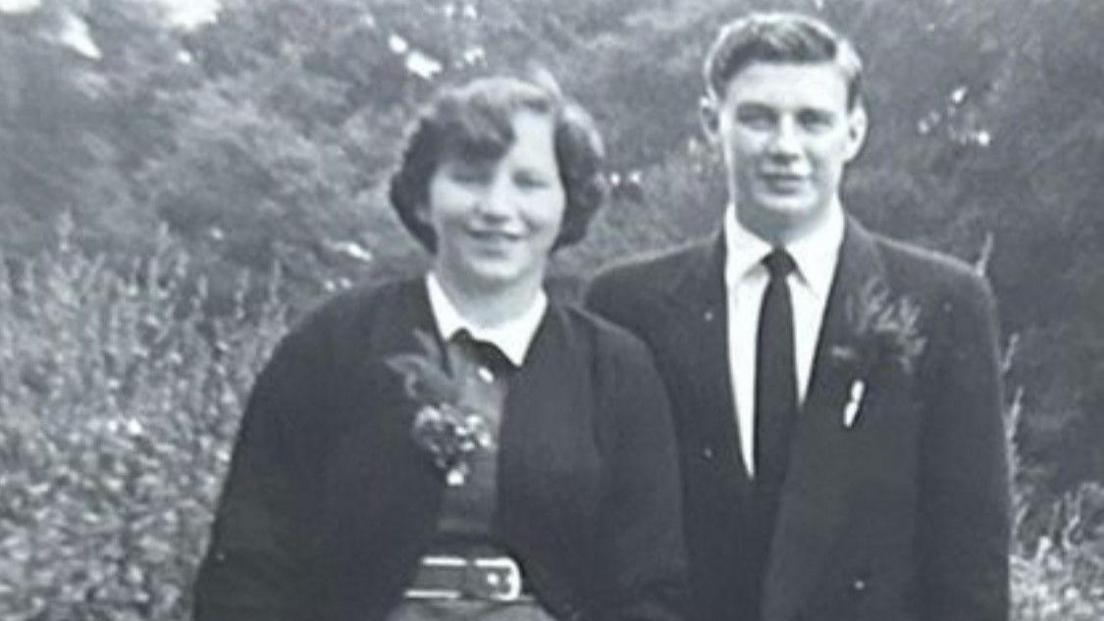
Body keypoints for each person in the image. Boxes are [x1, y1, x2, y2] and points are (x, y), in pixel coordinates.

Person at [193, 75, 687, 621]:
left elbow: (651, 587)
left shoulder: (615, 370)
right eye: (470, 179)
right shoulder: (333, 343)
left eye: (528, 183)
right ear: (423, 199)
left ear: (567, 205)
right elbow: (249, 562)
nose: (497, 207)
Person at [586, 12, 1009, 621]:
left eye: (812, 121)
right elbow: (608, 548)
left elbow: (971, 565)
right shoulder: (628, 304)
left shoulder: (944, 302)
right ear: (712, 124)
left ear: (853, 133)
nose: (785, 147)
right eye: (758, 118)